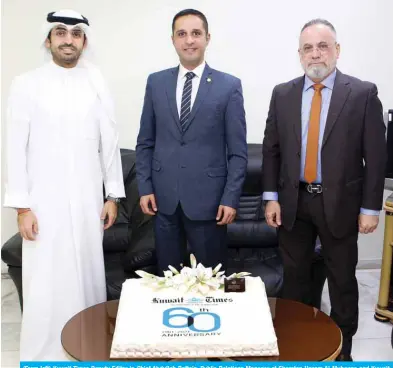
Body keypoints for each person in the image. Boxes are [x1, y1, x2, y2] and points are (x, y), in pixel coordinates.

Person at [262, 19, 387, 361]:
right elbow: (271, 150)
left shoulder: (362, 94)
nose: (315, 53)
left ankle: (342, 351)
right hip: (293, 203)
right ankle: (303, 346)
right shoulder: (283, 94)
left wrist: (370, 208)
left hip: (341, 205)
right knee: (296, 280)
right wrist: (271, 197)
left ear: (337, 50)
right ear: (299, 54)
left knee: (342, 282)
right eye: (307, 48)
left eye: (323, 46)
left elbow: (375, 158)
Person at [4, 9, 125, 360]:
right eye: (60, 32)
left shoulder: (96, 81)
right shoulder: (26, 83)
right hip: (43, 203)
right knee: (46, 280)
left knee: (87, 275)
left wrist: (113, 195)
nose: (68, 39)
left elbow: (110, 142)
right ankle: (45, 355)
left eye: (75, 33)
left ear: (84, 41)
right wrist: (23, 208)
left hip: (88, 201)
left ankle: (86, 348)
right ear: (48, 39)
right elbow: (15, 147)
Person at [135, 9, 247, 274]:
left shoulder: (228, 86)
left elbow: (238, 152)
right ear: (173, 40)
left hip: (209, 204)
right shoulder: (156, 83)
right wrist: (145, 187)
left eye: (196, 33)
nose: (189, 40)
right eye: (182, 34)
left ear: (207, 38)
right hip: (164, 202)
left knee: (212, 281)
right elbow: (145, 141)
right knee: (169, 280)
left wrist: (230, 198)